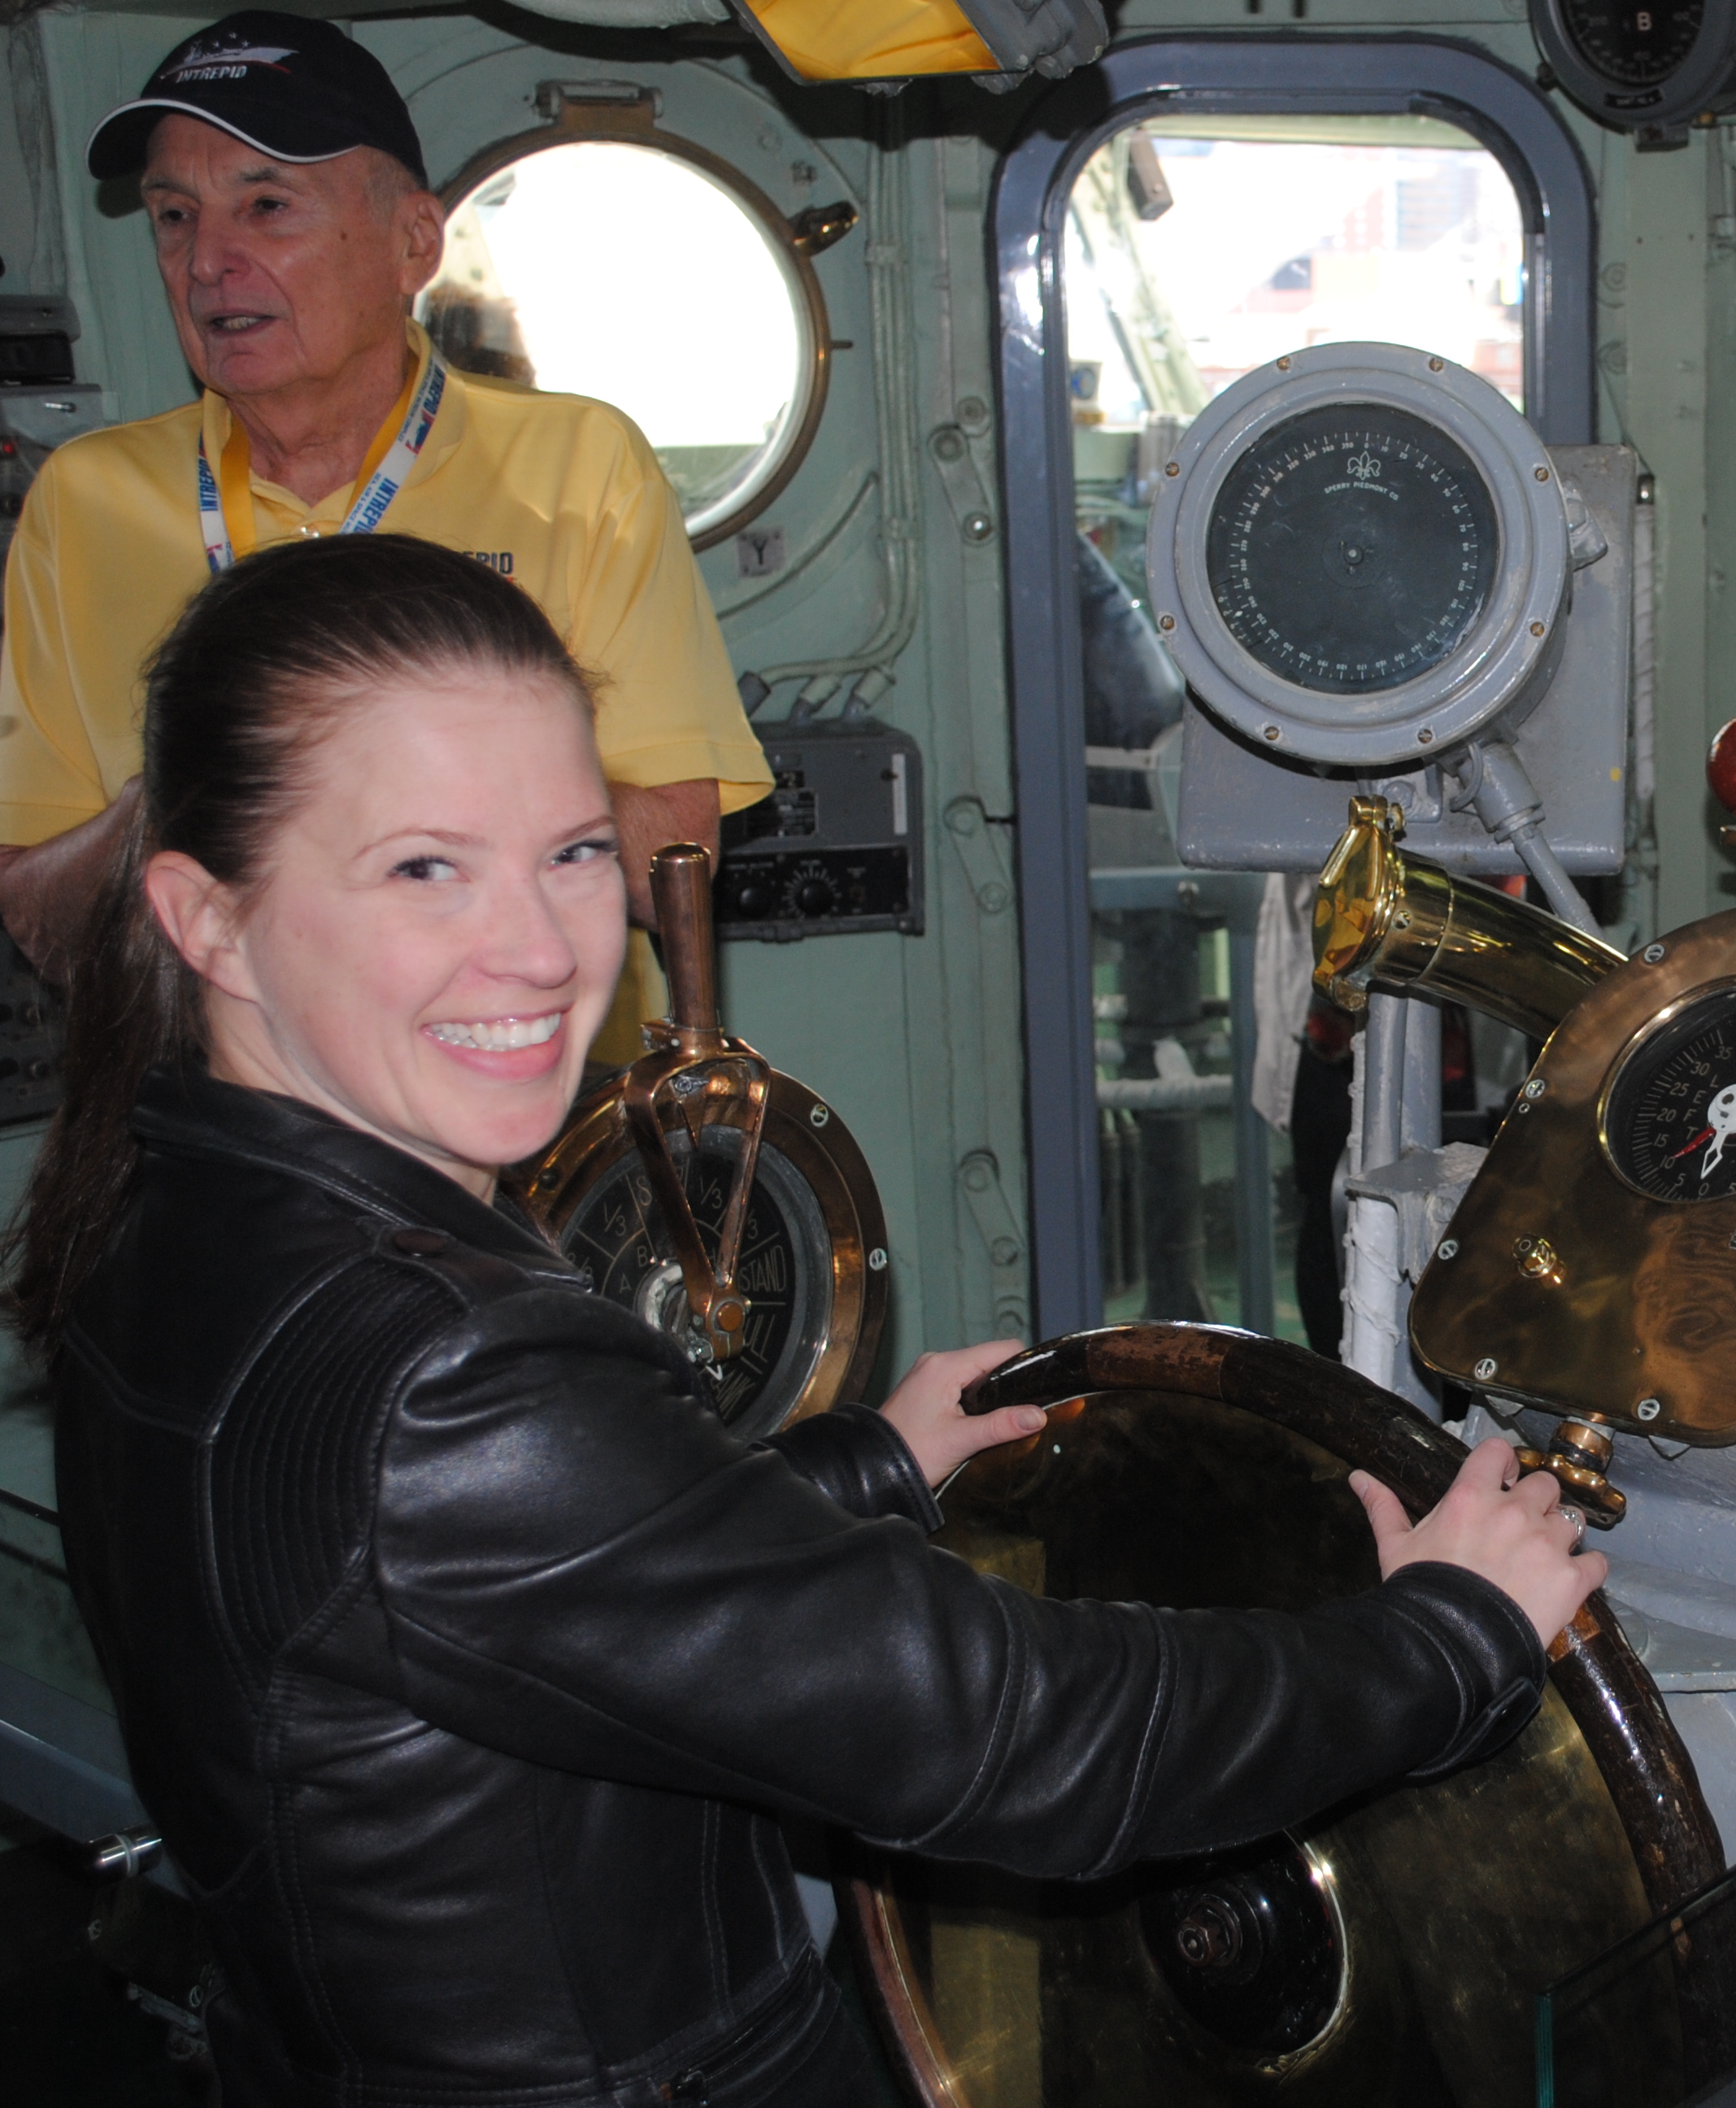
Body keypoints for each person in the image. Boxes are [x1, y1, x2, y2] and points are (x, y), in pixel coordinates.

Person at [24, 533, 1603, 2107]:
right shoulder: (448, 1369)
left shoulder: (162, 1219)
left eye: (572, 852)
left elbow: (499, 1593)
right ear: (206, 918)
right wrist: (1447, 1637)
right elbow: (1014, 1737)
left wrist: (866, 1469)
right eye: (423, 868)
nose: (543, 950)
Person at [0, 11, 772, 985]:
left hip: (518, 1051)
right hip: (216, 1071)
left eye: (267, 205)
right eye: (174, 216)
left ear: (413, 242)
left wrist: (413, 753)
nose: (206, 262)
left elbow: (673, 869)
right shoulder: (85, 496)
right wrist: (186, 790)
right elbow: (42, 924)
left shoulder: (580, 465)